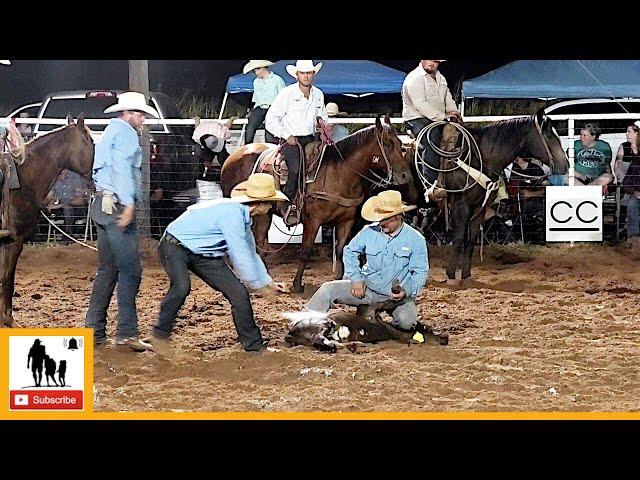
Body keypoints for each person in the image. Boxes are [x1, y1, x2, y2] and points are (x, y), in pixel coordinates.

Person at [150, 173, 289, 355]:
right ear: (261, 203)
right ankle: (160, 334)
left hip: (205, 254)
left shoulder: (243, 217)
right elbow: (239, 255)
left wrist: (267, 282)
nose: (271, 206)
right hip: (174, 245)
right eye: (270, 202)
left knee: (238, 293)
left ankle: (254, 346)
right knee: (181, 286)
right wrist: (257, 286)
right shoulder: (233, 216)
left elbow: (250, 253)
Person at [85, 92, 159, 351]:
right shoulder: (127, 135)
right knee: (130, 271)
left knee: (108, 269)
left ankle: (94, 331)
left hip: (101, 204)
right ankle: (127, 333)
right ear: (128, 114)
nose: (141, 119)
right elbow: (122, 168)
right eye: (139, 114)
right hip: (117, 205)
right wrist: (128, 202)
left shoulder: (107, 133)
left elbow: (101, 168)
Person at [306, 190, 428, 332]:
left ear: (399, 216)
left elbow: (420, 272)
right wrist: (356, 279)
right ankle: (305, 323)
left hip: (396, 298)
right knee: (327, 290)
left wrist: (406, 291)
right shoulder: (369, 232)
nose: (382, 223)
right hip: (367, 289)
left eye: (387, 219)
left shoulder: (416, 239)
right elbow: (350, 251)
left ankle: (374, 324)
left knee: (406, 323)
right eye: (380, 218)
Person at [265, 60, 328, 226]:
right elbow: (271, 120)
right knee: (296, 167)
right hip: (290, 140)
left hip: (311, 138)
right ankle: (286, 202)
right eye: (303, 73)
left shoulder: (319, 95)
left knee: (327, 164)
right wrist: (286, 135)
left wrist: (323, 128)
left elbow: (323, 117)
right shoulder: (287, 94)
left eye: (309, 73)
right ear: (297, 75)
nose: (306, 76)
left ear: (313, 74)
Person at [402, 60, 461, 186]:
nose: (432, 64)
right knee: (431, 138)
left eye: (436, 61)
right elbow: (420, 104)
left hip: (437, 119)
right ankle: (431, 184)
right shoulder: (415, 78)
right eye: (430, 60)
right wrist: (443, 116)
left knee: (459, 134)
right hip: (416, 118)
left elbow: (448, 98)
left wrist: (454, 112)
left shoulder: (441, 78)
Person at [242, 60, 285, 145]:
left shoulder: (277, 80)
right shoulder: (256, 82)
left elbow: (283, 98)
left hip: (273, 108)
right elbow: (255, 99)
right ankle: (248, 149)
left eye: (256, 71)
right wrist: (252, 111)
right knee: (250, 129)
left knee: (269, 132)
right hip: (260, 107)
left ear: (262, 68)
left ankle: (270, 151)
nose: (256, 73)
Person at [192, 117, 234, 202]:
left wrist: (232, 119)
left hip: (216, 135)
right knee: (201, 156)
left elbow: (227, 126)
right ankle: (202, 174)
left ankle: (227, 173)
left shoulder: (222, 134)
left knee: (223, 157)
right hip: (205, 141)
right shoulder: (197, 136)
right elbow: (197, 127)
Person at [45, 169, 89, 235]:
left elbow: (80, 200)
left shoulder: (75, 177)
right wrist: (46, 203)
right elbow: (49, 197)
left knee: (67, 208)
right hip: (60, 210)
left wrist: (62, 204)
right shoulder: (54, 178)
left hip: (76, 209)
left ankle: (67, 234)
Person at [572, 124, 614, 188]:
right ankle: (589, 191)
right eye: (580, 135)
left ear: (593, 137)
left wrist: (607, 185)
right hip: (578, 180)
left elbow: (607, 166)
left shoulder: (604, 146)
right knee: (565, 177)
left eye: (584, 136)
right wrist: (579, 175)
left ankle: (584, 190)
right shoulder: (575, 145)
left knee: (608, 177)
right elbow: (568, 166)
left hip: (596, 180)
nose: (581, 138)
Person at [620, 122, 640, 238]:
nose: (626, 134)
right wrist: (635, 192)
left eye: (629, 132)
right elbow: (627, 180)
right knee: (632, 203)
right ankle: (634, 238)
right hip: (636, 193)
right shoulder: (634, 159)